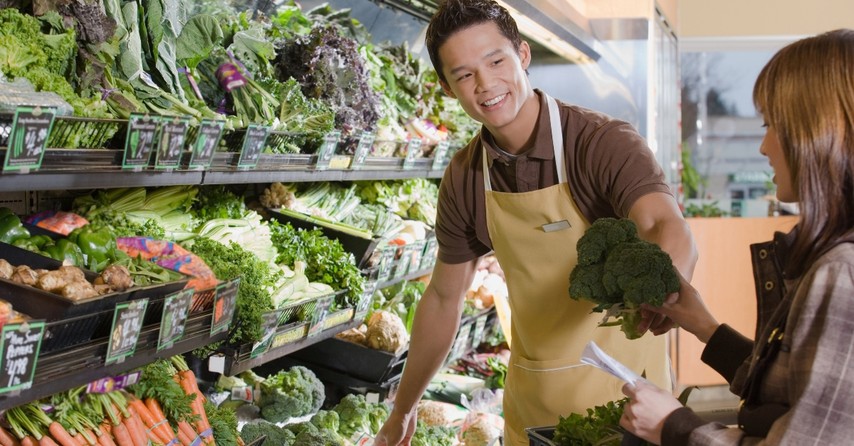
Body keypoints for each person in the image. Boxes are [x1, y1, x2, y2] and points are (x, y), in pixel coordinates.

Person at [374, 1, 698, 444]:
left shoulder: (601, 143)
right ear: (448, 89)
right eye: (465, 75)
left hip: (628, 403)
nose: (486, 85)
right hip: (533, 406)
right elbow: (443, 298)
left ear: (523, 55)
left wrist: (661, 288)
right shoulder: (465, 176)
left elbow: (666, 226)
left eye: (496, 61)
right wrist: (404, 407)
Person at [619, 28, 854, 445]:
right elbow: (805, 393)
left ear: (819, 133)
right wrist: (703, 325)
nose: (764, 147)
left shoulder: (841, 273)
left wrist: (672, 424)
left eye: (771, 125)